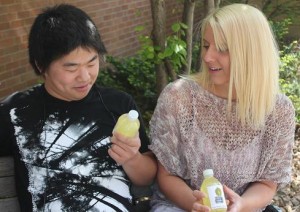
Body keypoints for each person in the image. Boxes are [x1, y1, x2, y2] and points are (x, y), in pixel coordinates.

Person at [0, 4, 157, 212]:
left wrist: (132, 158)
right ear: (40, 66)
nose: (85, 77)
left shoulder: (119, 104)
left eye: (92, 63)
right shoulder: (14, 112)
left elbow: (147, 177)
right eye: (71, 67)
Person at [148, 3, 295, 212]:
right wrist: (194, 204)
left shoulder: (279, 110)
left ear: (252, 54)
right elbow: (166, 174)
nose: (207, 57)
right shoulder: (179, 97)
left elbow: (267, 182)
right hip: (180, 206)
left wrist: (242, 204)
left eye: (223, 49)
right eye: (206, 45)